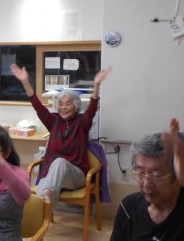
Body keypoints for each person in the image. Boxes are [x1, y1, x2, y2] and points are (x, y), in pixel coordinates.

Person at [10, 63, 111, 202]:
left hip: (75, 177)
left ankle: (43, 199)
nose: (63, 107)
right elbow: (37, 106)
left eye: (68, 103)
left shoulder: (82, 123)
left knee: (59, 163)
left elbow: (92, 107)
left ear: (76, 106)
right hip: (53, 177)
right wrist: (25, 82)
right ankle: (42, 203)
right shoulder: (53, 121)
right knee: (40, 194)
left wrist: (96, 85)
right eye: (61, 104)